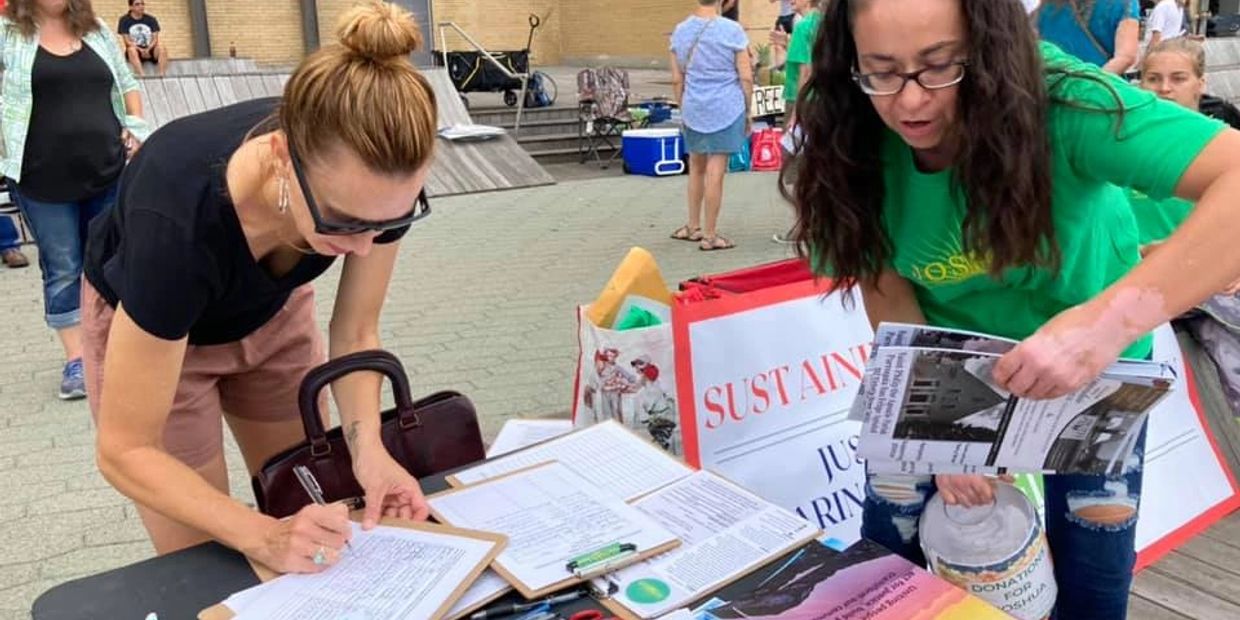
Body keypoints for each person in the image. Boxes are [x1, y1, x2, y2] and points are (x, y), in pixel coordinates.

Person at [788, 1, 1240, 617]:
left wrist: (1104, 325)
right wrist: (945, 435)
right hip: (945, 366)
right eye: (882, 72)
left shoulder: (1067, 104)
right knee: (889, 554)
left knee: (1094, 566)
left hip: (1094, 367)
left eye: (940, 67)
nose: (911, 103)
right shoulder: (849, 130)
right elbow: (884, 285)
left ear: (992, 52)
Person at [86, 1, 437, 573]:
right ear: (280, 156)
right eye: (344, 223)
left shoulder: (372, 187)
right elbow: (126, 451)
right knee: (203, 558)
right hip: (161, 330)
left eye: (390, 223)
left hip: (270, 312)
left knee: (304, 512)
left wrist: (368, 449)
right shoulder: (177, 216)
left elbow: (355, 329)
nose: (365, 247)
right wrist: (257, 535)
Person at [1, 0, 148, 400]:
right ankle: (78, 359)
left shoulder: (97, 30)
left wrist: (134, 128)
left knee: (112, 261)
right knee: (63, 265)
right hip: (40, 175)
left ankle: (118, 350)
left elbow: (127, 84)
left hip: (107, 169)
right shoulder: (7, 35)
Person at [670, 0, 753, 251]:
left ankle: (692, 226)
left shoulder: (680, 30)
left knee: (696, 166)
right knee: (716, 171)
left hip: (693, 106)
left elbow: (677, 78)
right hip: (726, 107)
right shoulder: (732, 30)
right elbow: (746, 76)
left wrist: (683, 107)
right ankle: (710, 235)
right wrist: (748, 110)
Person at [1037, 0, 1140, 74]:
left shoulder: (1043, 4)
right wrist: (1090, 87)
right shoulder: (1125, 3)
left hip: (1049, 82)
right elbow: (1126, 57)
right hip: (1098, 91)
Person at [118, 0, 167, 77]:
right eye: (137, 4)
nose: (141, 6)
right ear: (131, 7)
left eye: (142, 4)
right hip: (135, 51)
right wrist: (140, 50)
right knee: (131, 49)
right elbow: (127, 41)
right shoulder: (124, 20)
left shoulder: (151, 19)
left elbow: (155, 39)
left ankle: (162, 75)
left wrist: (148, 49)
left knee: (162, 47)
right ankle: (142, 76)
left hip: (150, 49)